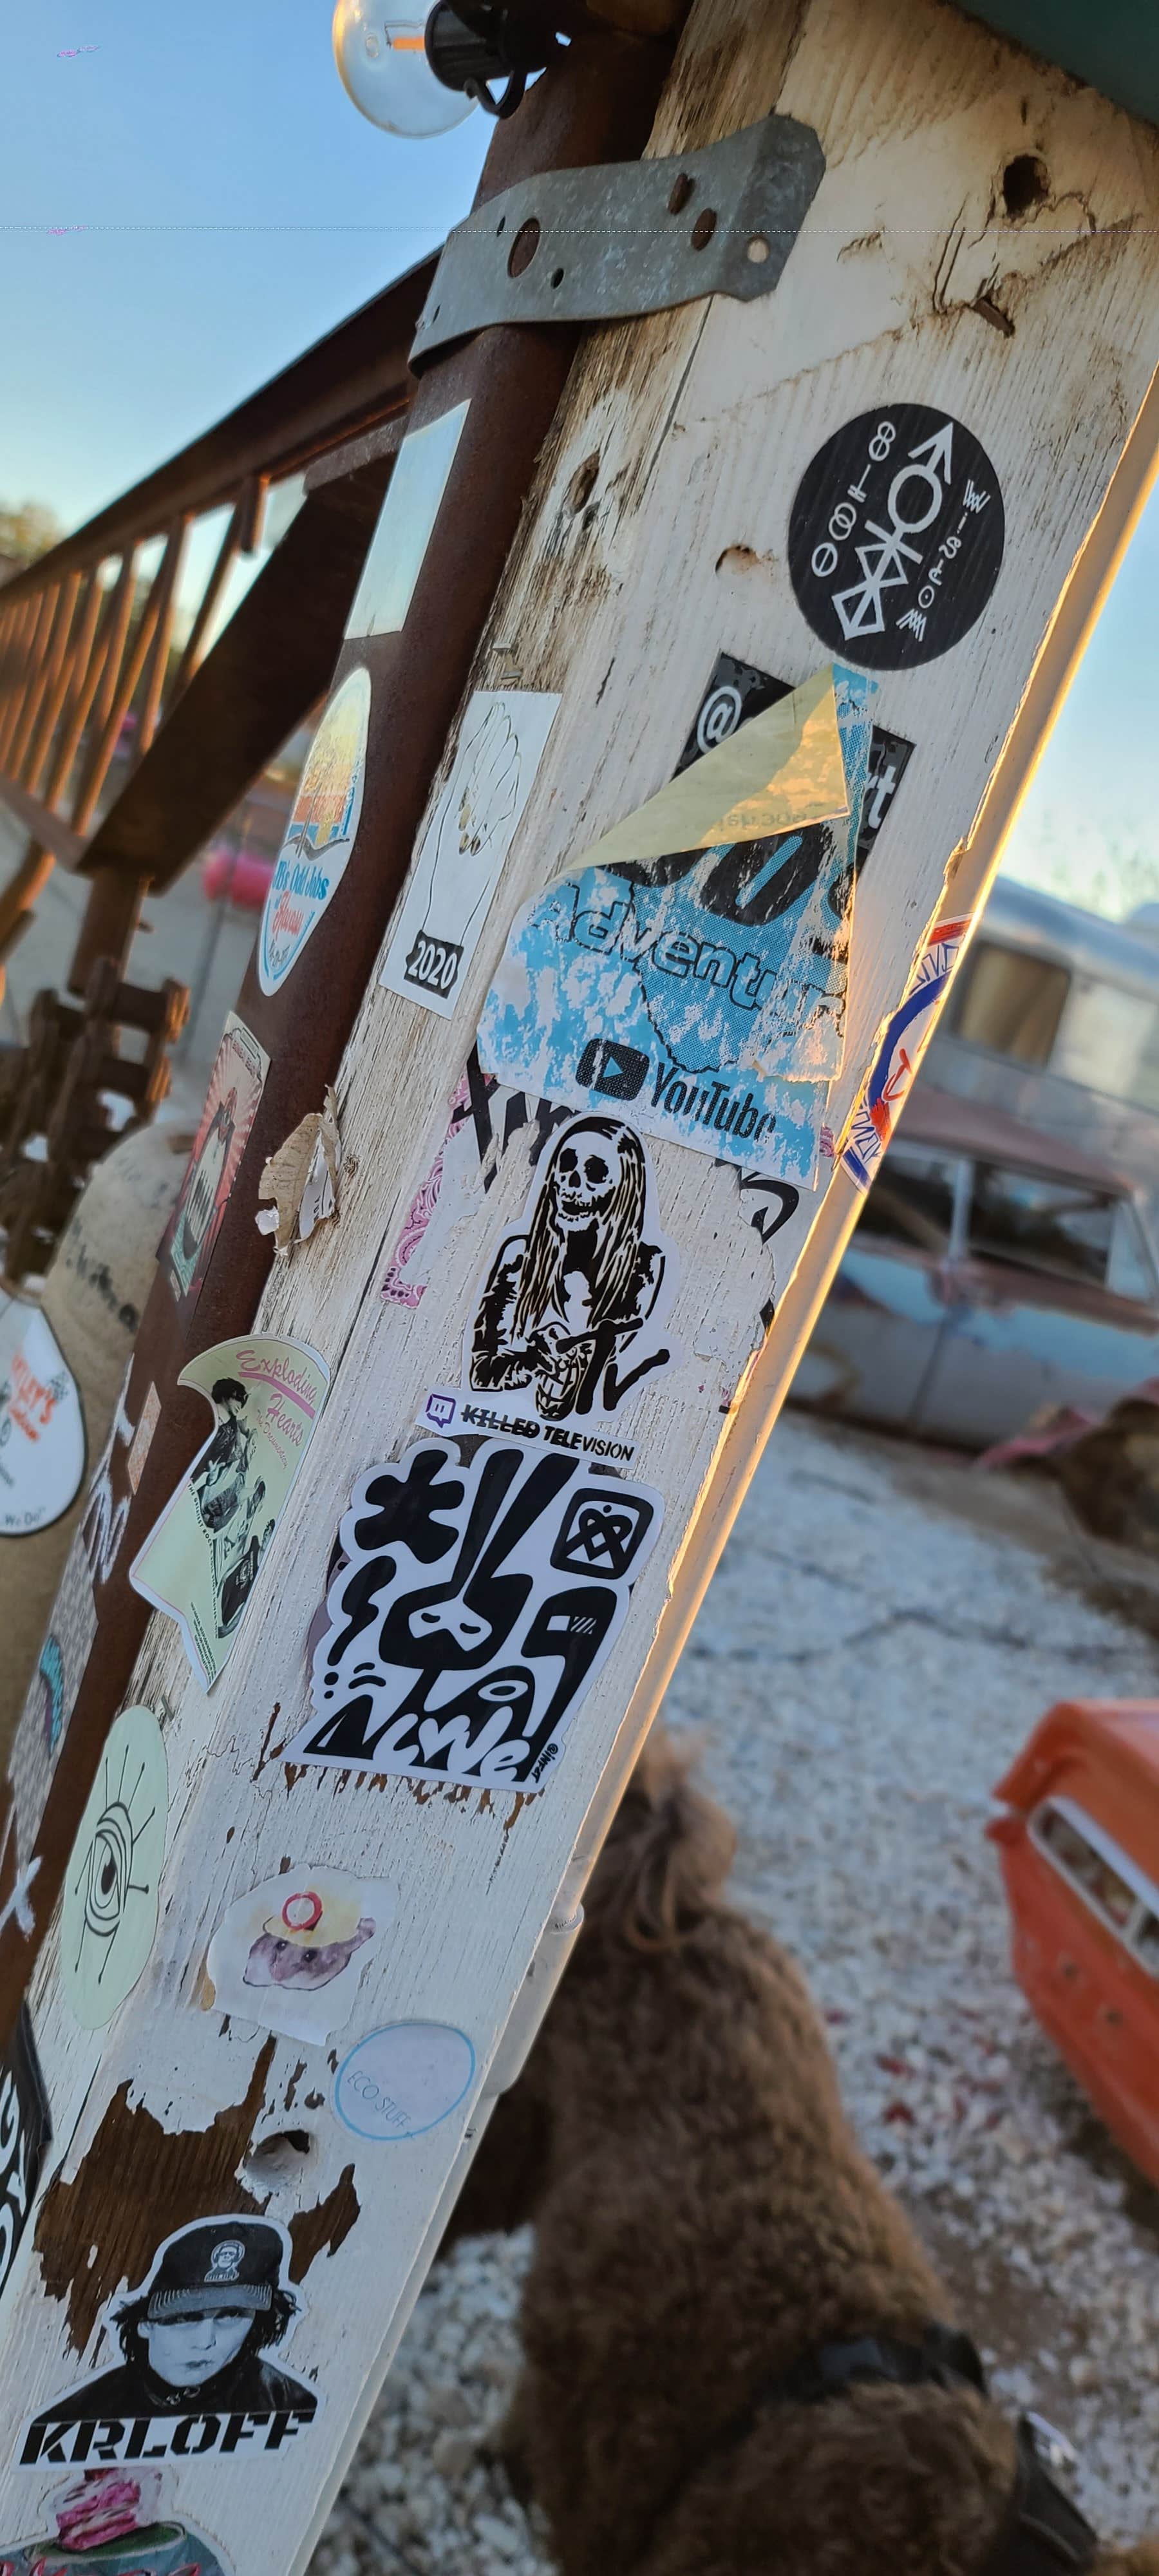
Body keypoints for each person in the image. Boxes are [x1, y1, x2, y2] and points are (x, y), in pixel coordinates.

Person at [25, 2220, 316, 2429]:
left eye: (231, 2316)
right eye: (184, 2317)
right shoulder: (76, 2416)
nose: (205, 2341)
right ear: (144, 2323)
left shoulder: (288, 2403)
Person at [471, 1118, 668, 1421]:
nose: (573, 1184)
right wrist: (530, 1361)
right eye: (566, 1165)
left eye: (596, 1173)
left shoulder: (643, 1267)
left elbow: (614, 1358)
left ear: (623, 1191)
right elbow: (481, 1375)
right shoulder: (521, 1255)